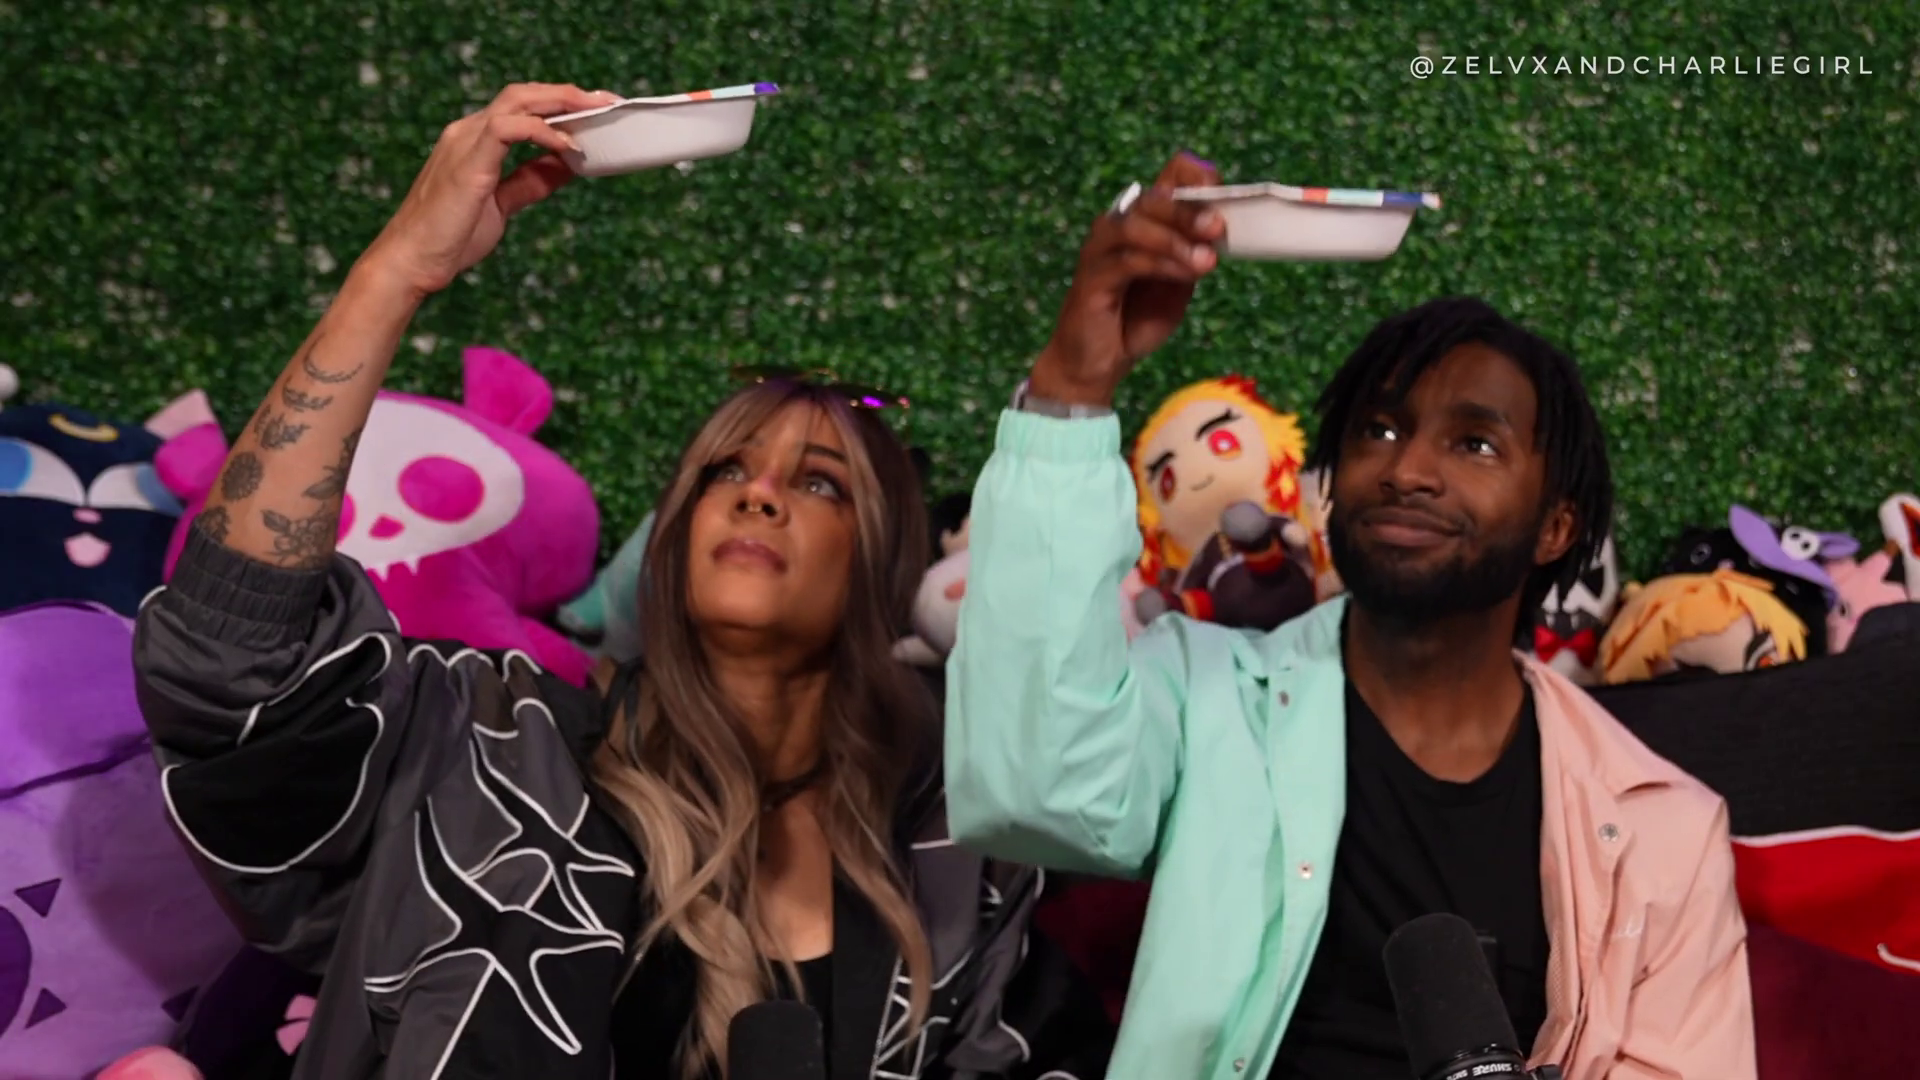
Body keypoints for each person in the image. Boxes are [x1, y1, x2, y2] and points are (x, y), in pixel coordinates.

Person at [132, 82, 1111, 1080]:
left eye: (818, 482)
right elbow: (229, 659)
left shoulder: (956, 866)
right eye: (724, 471)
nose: (758, 494)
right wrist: (393, 276)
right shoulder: (495, 754)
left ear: (891, 564)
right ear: (675, 532)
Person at [946, 153, 1756, 1079]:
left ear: (1557, 527)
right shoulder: (1207, 698)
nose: (1407, 469)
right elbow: (1027, 789)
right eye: (1380, 430)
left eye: (1474, 443)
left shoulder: (1662, 834)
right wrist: (1073, 381)